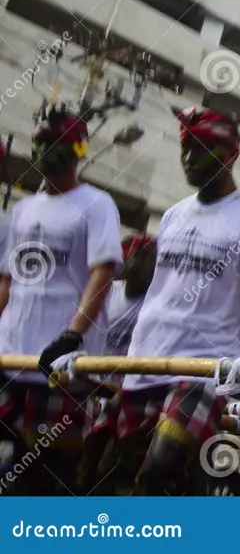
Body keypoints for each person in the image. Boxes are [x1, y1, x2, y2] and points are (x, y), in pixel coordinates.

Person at [85, 106, 240, 496]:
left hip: (203, 373)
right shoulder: (172, 216)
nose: (190, 159)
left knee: (161, 467)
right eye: (186, 149)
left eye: (203, 150)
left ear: (230, 155)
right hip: (142, 365)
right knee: (104, 475)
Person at [0, 104, 122, 495]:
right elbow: (7, 280)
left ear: (76, 150)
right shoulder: (23, 210)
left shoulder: (96, 204)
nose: (43, 150)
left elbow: (102, 273)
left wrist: (73, 334)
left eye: (52, 142)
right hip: (10, 358)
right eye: (38, 142)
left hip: (59, 369)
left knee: (49, 478)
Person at [103, 234, 157, 358]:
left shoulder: (154, 304)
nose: (139, 265)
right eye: (138, 256)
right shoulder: (108, 292)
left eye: (148, 259)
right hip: (95, 367)